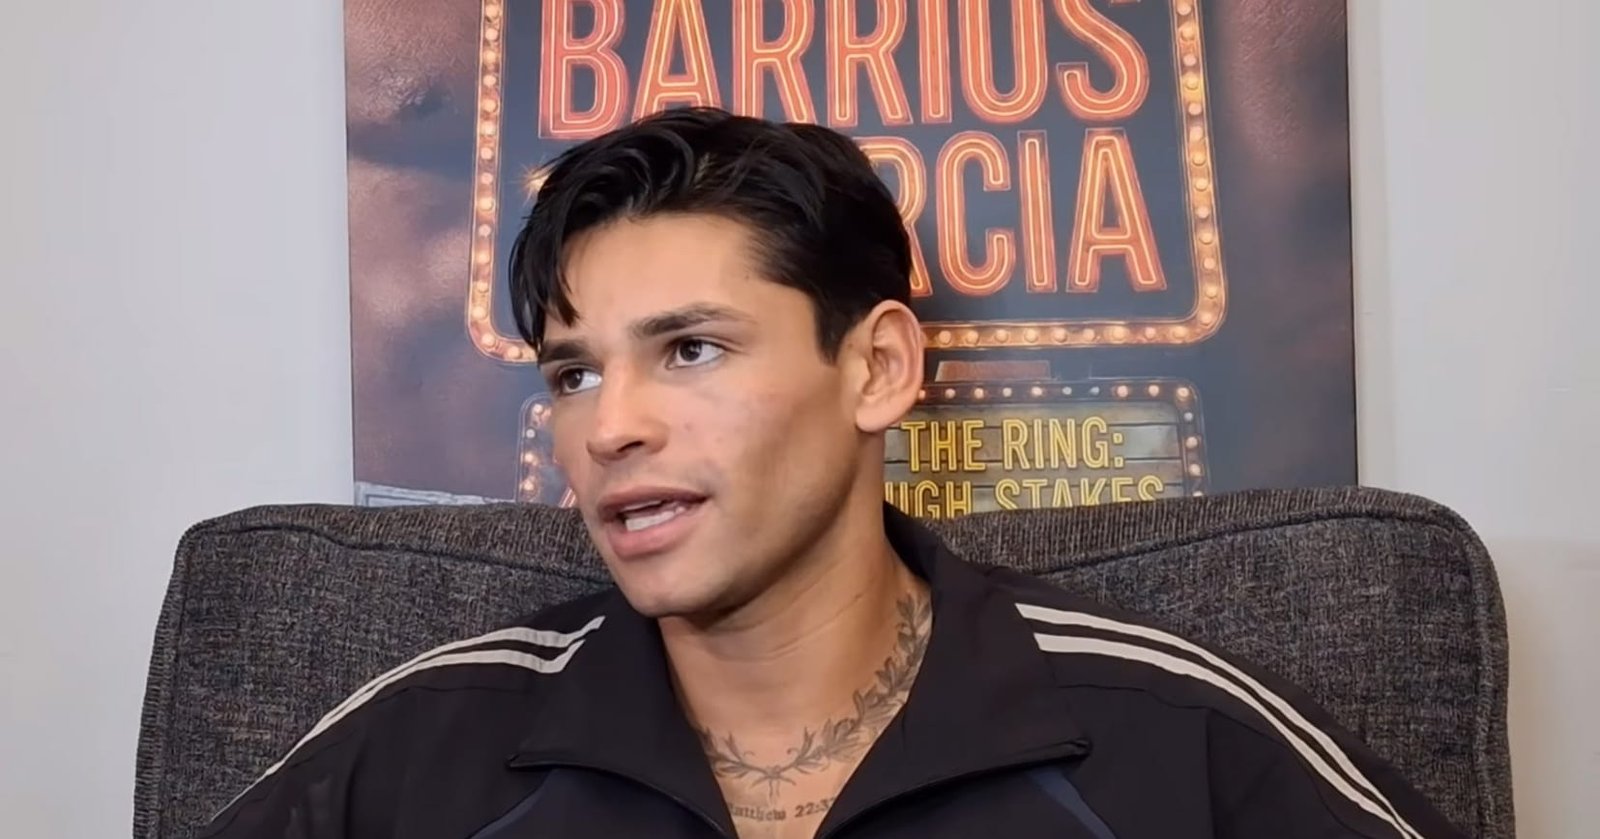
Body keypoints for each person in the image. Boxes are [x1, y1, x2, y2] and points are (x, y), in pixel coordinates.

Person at [200, 107, 1464, 839]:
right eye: (574, 373)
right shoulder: (422, 739)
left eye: (690, 349)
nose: (608, 428)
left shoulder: (1177, 733)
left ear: (876, 368)